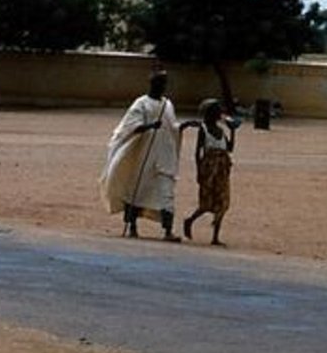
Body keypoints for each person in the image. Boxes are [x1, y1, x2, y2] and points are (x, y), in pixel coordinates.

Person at [99, 69, 186, 241]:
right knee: (137, 191)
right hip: (143, 156)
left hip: (163, 156)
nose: (163, 87)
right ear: (153, 84)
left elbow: (171, 127)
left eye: (164, 84)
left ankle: (168, 231)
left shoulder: (167, 105)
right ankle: (132, 226)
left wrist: (182, 127)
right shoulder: (141, 104)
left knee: (166, 193)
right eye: (160, 83)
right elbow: (130, 127)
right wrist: (150, 126)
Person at [182, 98, 237, 245]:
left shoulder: (221, 131)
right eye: (217, 111)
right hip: (209, 170)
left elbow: (230, 148)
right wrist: (198, 171)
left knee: (222, 202)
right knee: (206, 202)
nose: (220, 113)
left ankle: (215, 236)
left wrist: (232, 131)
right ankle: (190, 220)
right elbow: (197, 153)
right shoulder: (204, 130)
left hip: (221, 170)